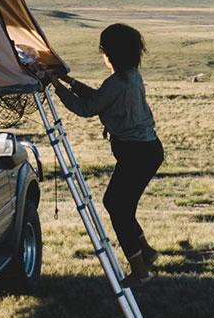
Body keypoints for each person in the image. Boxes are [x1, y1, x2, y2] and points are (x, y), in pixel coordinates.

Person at [51, 23, 163, 286]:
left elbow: (87, 108)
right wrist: (68, 81)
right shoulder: (131, 76)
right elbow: (101, 98)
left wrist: (56, 87)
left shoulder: (118, 81)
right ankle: (146, 252)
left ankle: (140, 272)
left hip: (137, 154)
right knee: (123, 206)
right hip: (147, 151)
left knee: (116, 206)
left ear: (111, 54)